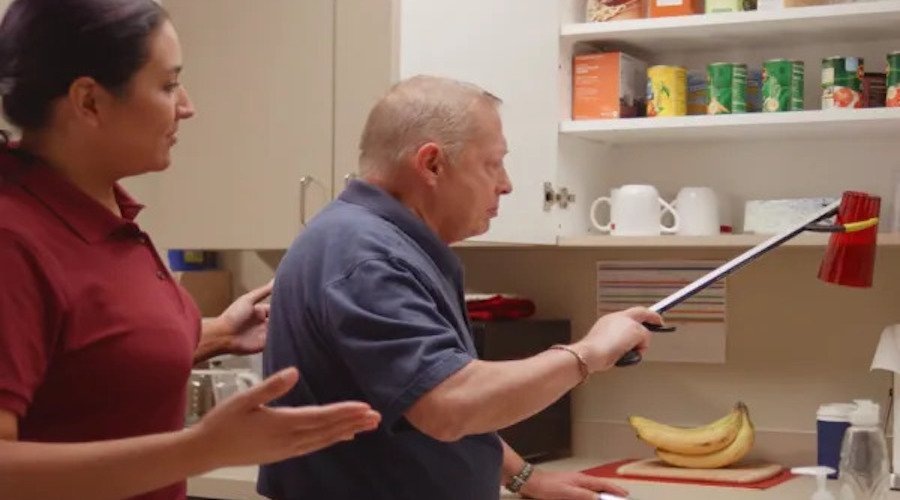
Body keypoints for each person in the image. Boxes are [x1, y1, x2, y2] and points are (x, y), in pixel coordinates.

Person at [0, 1, 380, 499]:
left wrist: (218, 332)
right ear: (89, 101)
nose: (187, 106)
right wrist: (202, 449)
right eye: (168, 85)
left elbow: (88, 357)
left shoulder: (104, 214)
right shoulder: (14, 240)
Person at [260, 75, 663, 500]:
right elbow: (448, 404)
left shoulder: (381, 242)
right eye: (493, 163)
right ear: (432, 164)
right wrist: (589, 353)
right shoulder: (367, 257)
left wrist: (526, 477)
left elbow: (425, 392)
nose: (506, 184)